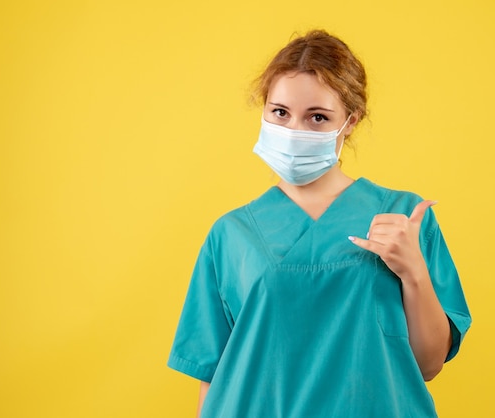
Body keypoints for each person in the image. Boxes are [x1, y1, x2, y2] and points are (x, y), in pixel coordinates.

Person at [167, 29, 471, 417]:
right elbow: (212, 378)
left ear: (350, 122)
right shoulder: (230, 234)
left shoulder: (401, 218)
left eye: (317, 117)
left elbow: (429, 365)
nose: (294, 131)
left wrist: (413, 271)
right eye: (280, 112)